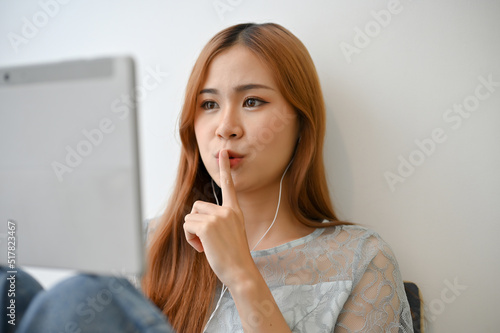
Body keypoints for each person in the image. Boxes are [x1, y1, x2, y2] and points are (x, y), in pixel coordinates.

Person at [8, 22, 414, 333]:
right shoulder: (144, 246)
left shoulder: (362, 258)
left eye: (252, 101)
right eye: (208, 104)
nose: (226, 126)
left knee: (84, 291)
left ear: (300, 123)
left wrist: (241, 273)